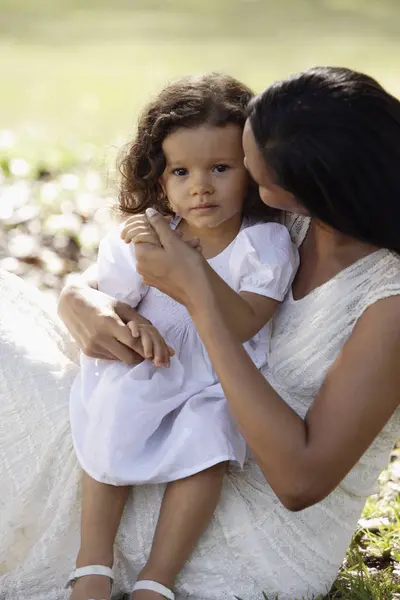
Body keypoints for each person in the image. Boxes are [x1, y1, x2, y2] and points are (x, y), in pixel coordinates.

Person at [0, 66, 399, 600]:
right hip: (157, 412)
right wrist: (80, 300)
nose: (210, 189)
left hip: (239, 512)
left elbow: (299, 483)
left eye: (251, 176)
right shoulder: (292, 218)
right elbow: (119, 276)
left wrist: (200, 296)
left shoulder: (386, 299)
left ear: (312, 186)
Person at [67, 73, 298, 600]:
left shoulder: (264, 243)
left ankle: (157, 579)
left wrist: (195, 274)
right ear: (159, 177)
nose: (201, 186)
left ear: (253, 171)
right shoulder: (154, 234)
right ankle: (92, 564)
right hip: (158, 359)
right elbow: (114, 295)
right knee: (115, 406)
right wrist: (134, 320)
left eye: (221, 168)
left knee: (211, 436)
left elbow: (244, 324)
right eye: (181, 171)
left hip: (219, 375)